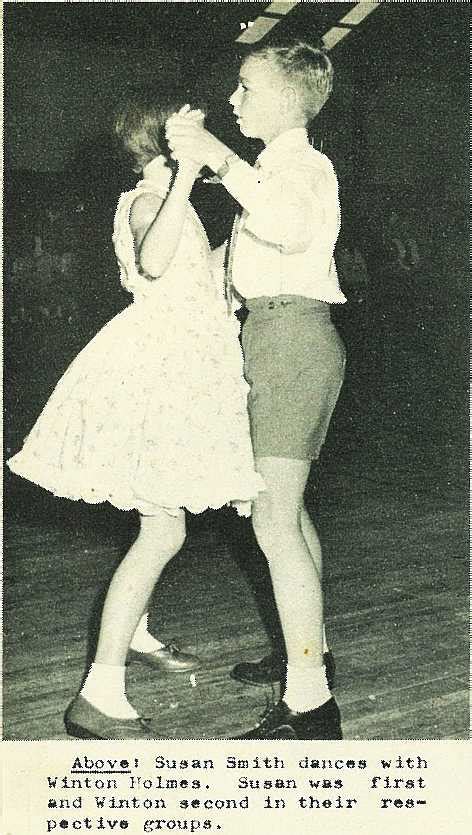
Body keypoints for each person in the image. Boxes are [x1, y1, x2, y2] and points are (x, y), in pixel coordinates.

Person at [7, 93, 264, 739]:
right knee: (163, 529)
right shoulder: (155, 197)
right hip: (162, 369)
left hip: (180, 357)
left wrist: (237, 241)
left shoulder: (167, 200)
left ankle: (140, 632)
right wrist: (183, 179)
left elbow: (192, 279)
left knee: (158, 511)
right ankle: (98, 692)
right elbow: (152, 261)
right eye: (195, 136)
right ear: (169, 145)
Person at [166, 41, 346, 739]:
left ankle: (310, 704)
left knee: (272, 521)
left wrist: (216, 155)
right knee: (288, 517)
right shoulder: (271, 171)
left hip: (292, 339)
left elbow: (282, 224)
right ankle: (312, 654)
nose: (234, 100)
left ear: (283, 100)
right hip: (273, 336)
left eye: (244, 88)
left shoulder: (301, 167)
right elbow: (226, 266)